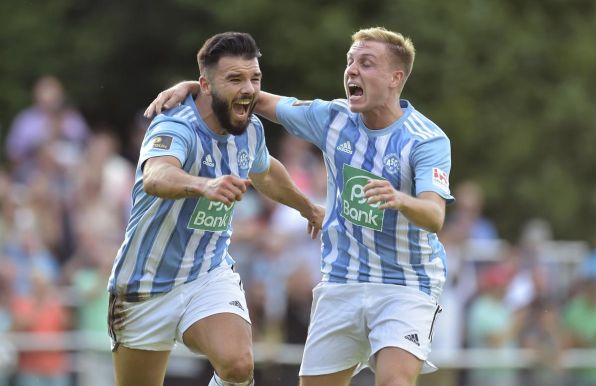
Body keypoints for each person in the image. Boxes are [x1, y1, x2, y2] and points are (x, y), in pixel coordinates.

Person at [146, 26, 454, 386]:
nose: (352, 71)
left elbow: (434, 217)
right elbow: (250, 97)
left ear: (395, 77)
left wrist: (400, 198)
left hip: (406, 284)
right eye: (350, 62)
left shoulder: (426, 139)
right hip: (342, 281)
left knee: (394, 383)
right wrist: (196, 87)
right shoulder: (333, 119)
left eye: (366, 64)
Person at [110, 32, 324, 386]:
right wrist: (203, 184)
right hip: (143, 284)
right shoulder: (175, 123)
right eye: (235, 79)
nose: (249, 89)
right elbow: (156, 175)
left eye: (255, 78)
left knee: (238, 364)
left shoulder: (250, 128)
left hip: (207, 275)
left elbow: (266, 171)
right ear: (205, 85)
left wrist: (308, 207)